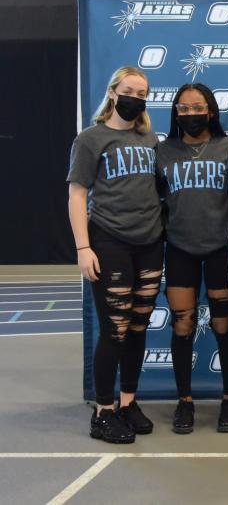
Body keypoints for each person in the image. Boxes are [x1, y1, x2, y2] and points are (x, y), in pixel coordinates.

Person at [67, 66, 162, 444]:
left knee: (138, 326)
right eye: (129, 90)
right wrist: (83, 247)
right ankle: (103, 411)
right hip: (109, 242)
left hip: (150, 243)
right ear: (112, 93)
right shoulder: (91, 139)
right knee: (114, 330)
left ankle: (127, 402)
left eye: (142, 93)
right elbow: (76, 194)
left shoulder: (150, 139)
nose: (135, 98)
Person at [156, 83, 228, 435]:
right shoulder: (163, 152)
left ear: (211, 110)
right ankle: (185, 401)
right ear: (176, 113)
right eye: (184, 109)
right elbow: (155, 202)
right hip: (180, 249)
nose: (191, 114)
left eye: (197, 107)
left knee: (223, 326)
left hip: (221, 248)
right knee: (182, 324)